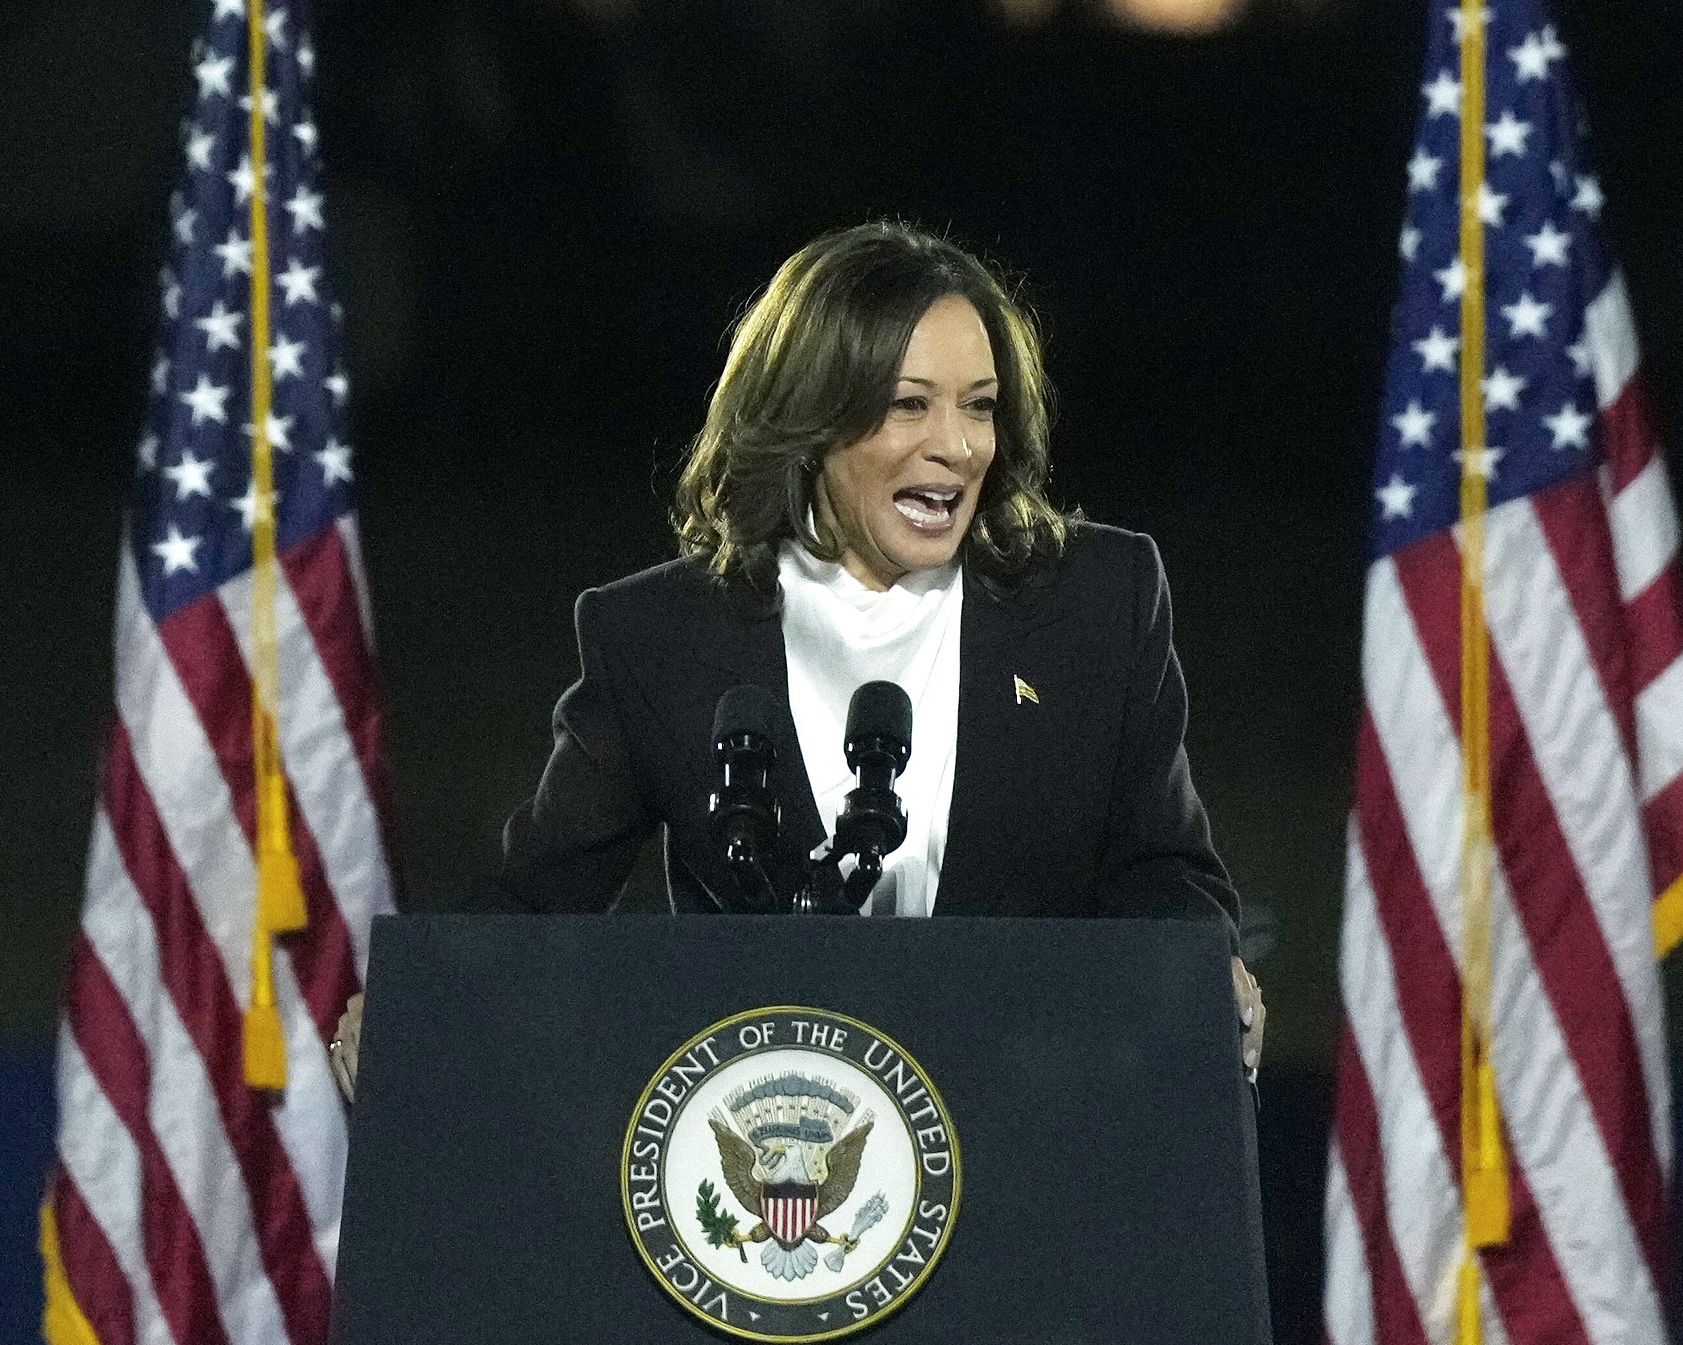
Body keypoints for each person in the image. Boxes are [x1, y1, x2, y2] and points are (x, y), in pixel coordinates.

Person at [492, 221, 1260, 1044]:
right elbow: (528, 914)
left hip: (1032, 1096)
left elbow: (1163, 871)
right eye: (908, 404)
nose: (957, 447)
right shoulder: (657, 637)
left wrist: (1205, 971)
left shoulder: (1099, 602)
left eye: (979, 406)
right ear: (810, 419)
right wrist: (418, 1002)